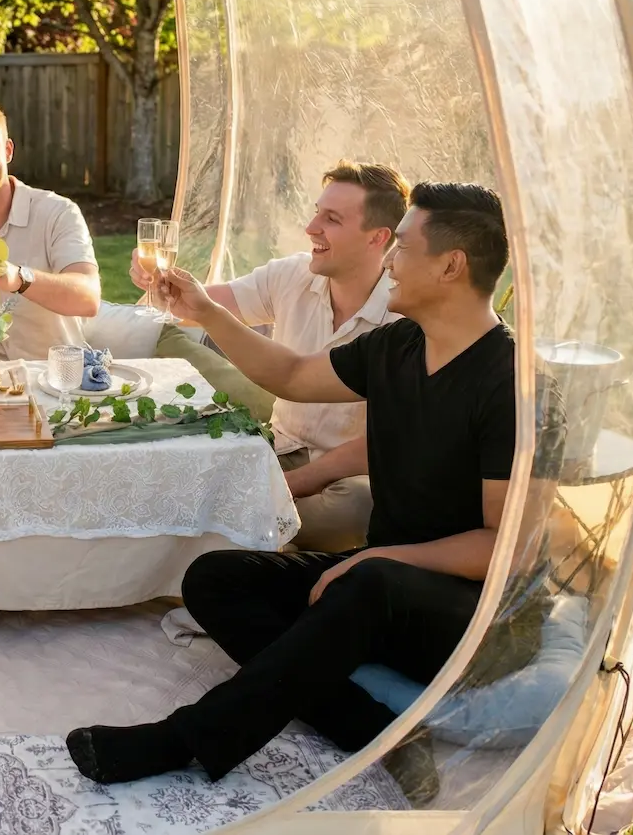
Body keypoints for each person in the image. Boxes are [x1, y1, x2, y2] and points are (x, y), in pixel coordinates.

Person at [66, 182, 547, 805]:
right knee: (215, 579)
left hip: (479, 619)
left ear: (451, 265)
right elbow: (291, 375)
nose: (391, 261)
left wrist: (376, 559)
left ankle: (186, 739)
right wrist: (207, 310)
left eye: (402, 246)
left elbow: (504, 551)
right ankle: (375, 729)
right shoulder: (399, 345)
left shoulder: (511, 384)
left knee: (365, 583)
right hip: (379, 589)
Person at [133, 161, 409, 552]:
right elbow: (202, 306)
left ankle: (248, 536)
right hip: (279, 446)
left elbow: (386, 440)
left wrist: (289, 485)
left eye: (331, 219)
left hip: (351, 472)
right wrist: (163, 287)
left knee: (357, 509)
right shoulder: (295, 274)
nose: (311, 227)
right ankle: (270, 540)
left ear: (377, 237)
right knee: (180, 465)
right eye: (316, 212)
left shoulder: (404, 314)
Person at [0, 97, 101, 360]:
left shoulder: (57, 212)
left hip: (57, 385)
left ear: (8, 150)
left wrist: (18, 278)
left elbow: (88, 298)